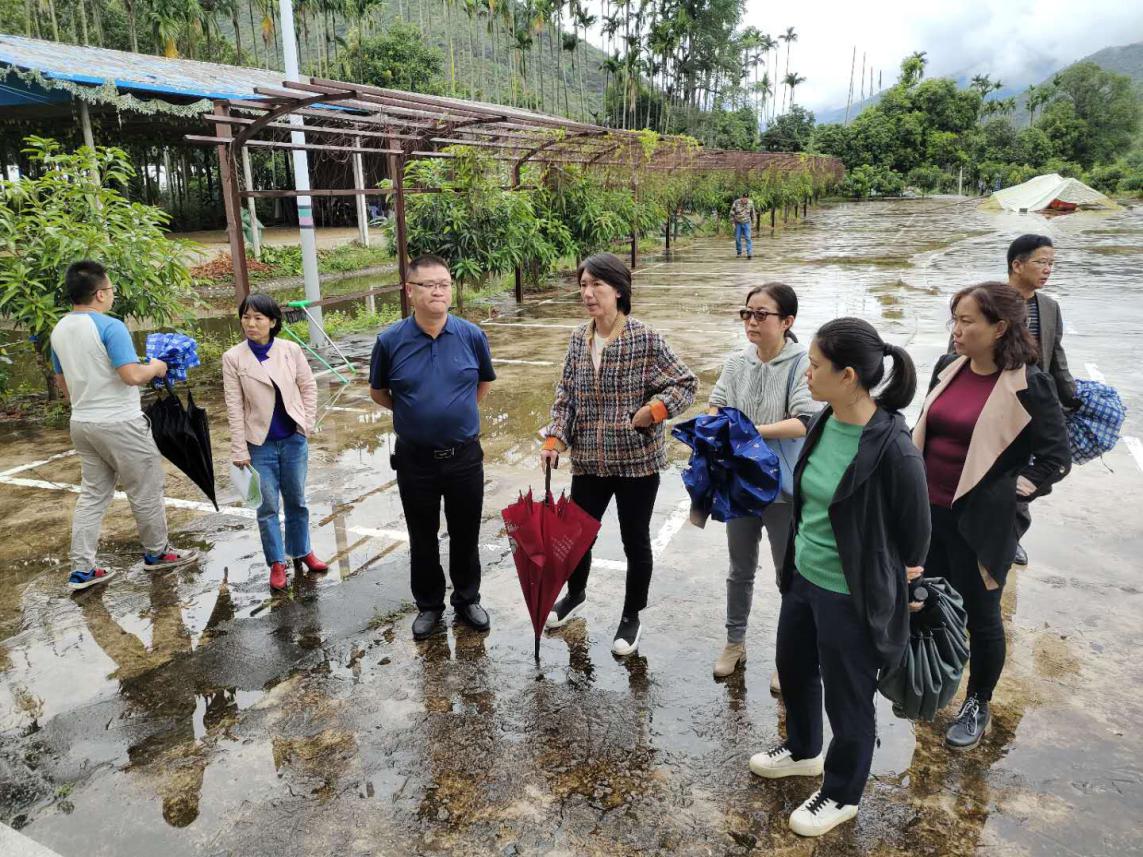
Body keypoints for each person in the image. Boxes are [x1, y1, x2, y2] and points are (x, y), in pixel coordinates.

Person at [748, 318, 929, 839]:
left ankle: (842, 791)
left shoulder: (892, 448)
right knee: (795, 665)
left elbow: (916, 537)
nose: (807, 372)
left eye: (816, 366)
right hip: (804, 576)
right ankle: (804, 749)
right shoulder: (826, 419)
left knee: (849, 697)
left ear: (848, 376)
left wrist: (893, 579)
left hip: (851, 593)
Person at [916, 282, 1070, 751]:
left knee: (982, 616)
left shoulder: (1029, 384)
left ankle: (977, 702)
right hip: (929, 515)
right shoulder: (947, 369)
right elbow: (922, 431)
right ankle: (933, 683)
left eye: (967, 321)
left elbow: (1054, 456)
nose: (956, 330)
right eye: (955, 319)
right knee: (928, 603)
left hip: (981, 525)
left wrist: (1014, 491)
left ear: (999, 328)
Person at [540, 252, 697, 656]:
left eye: (597, 285)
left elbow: (684, 384)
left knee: (635, 541)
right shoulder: (580, 338)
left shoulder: (644, 338)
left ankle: (631, 615)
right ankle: (576, 595)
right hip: (589, 461)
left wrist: (654, 411)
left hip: (636, 464)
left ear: (619, 290)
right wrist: (554, 440)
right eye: (583, 285)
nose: (588, 294)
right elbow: (566, 397)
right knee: (578, 539)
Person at [49, 260, 199, 592]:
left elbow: (64, 386)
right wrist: (156, 367)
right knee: (145, 489)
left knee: (92, 495)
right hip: (120, 423)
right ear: (100, 293)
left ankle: (82, 569)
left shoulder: (58, 330)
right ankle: (158, 553)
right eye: (112, 289)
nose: (112, 294)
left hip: (83, 423)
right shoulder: (110, 326)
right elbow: (131, 376)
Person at [369, 255, 496, 640]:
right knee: (421, 536)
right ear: (411, 292)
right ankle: (428, 606)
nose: (439, 290)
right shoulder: (390, 342)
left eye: (444, 283)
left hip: (464, 457)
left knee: (465, 532)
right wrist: (416, 413)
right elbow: (379, 393)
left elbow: (483, 384)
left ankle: (467, 598)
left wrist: (454, 413)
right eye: (430, 284)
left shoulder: (471, 335)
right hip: (416, 460)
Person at [707, 283, 818, 678]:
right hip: (739, 484)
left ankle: (789, 655)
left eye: (762, 314)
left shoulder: (801, 364)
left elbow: (804, 421)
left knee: (787, 574)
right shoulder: (737, 361)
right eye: (747, 314)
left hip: (781, 488)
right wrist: (722, 420)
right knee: (739, 569)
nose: (751, 322)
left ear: (787, 322)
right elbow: (717, 401)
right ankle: (734, 642)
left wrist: (750, 430)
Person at [222, 293, 326, 592]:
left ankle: (302, 551)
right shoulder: (233, 358)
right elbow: (234, 405)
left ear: (273, 322)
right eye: (246, 317)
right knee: (266, 507)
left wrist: (305, 424)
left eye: (258, 318)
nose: (250, 324)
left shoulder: (290, 350)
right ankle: (277, 562)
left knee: (297, 501)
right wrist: (239, 448)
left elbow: (307, 386)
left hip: (293, 438)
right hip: (259, 443)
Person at [1005, 234, 1076, 566]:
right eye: (1041, 262)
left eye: (1051, 263)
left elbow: (1056, 355)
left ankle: (1011, 538)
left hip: (1035, 406)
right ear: (1017, 265)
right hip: (996, 402)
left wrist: (1071, 397)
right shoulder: (988, 301)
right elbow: (958, 351)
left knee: (1027, 474)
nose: (1048, 270)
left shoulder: (1049, 307)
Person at [730, 192, 755, 259]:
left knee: (748, 238)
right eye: (744, 198)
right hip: (738, 223)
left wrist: (754, 223)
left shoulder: (750, 203)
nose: (745, 199)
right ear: (741, 197)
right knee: (737, 238)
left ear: (748, 198)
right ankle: (739, 252)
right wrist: (732, 223)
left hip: (747, 223)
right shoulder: (736, 202)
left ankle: (749, 253)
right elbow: (732, 213)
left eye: (746, 198)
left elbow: (753, 213)